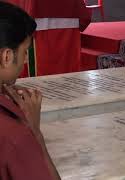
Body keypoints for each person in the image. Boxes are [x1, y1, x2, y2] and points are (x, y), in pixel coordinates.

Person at [0, 2, 60, 180]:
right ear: (6, 57)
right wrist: (35, 133)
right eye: (25, 51)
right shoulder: (14, 136)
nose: (26, 60)